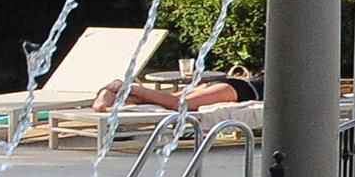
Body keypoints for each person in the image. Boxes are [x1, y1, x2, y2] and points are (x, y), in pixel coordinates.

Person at [94, 72, 259, 111]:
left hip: (233, 85)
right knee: (179, 105)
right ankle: (125, 87)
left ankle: (112, 97)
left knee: (166, 100)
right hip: (239, 90)